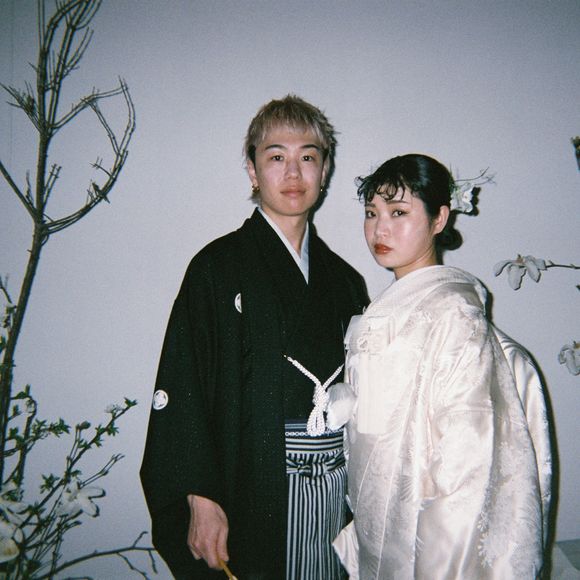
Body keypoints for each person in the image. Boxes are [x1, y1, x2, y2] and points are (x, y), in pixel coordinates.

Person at [140, 95, 369, 579]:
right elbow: (184, 384)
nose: (294, 173)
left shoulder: (346, 281)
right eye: (276, 156)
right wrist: (201, 495)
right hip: (246, 487)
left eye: (308, 157)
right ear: (252, 170)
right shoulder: (217, 269)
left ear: (325, 170)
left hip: (332, 490)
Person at [326, 154, 552, 579]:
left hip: (424, 534)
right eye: (371, 213)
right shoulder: (388, 306)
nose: (379, 229)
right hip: (379, 519)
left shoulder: (453, 315)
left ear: (439, 218)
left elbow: (467, 458)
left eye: (398, 212)